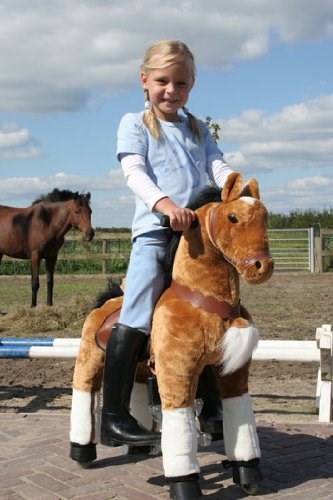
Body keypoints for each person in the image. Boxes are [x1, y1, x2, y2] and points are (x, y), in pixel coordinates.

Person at [101, 39, 234, 447]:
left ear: (191, 86)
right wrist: (166, 205)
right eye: (162, 81)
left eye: (181, 83)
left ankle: (213, 408)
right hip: (157, 233)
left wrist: (236, 188)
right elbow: (135, 171)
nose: (171, 90)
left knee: (214, 314)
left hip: (194, 239)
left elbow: (217, 163)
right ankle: (113, 416)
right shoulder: (134, 123)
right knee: (139, 311)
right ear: (145, 81)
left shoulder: (196, 128)